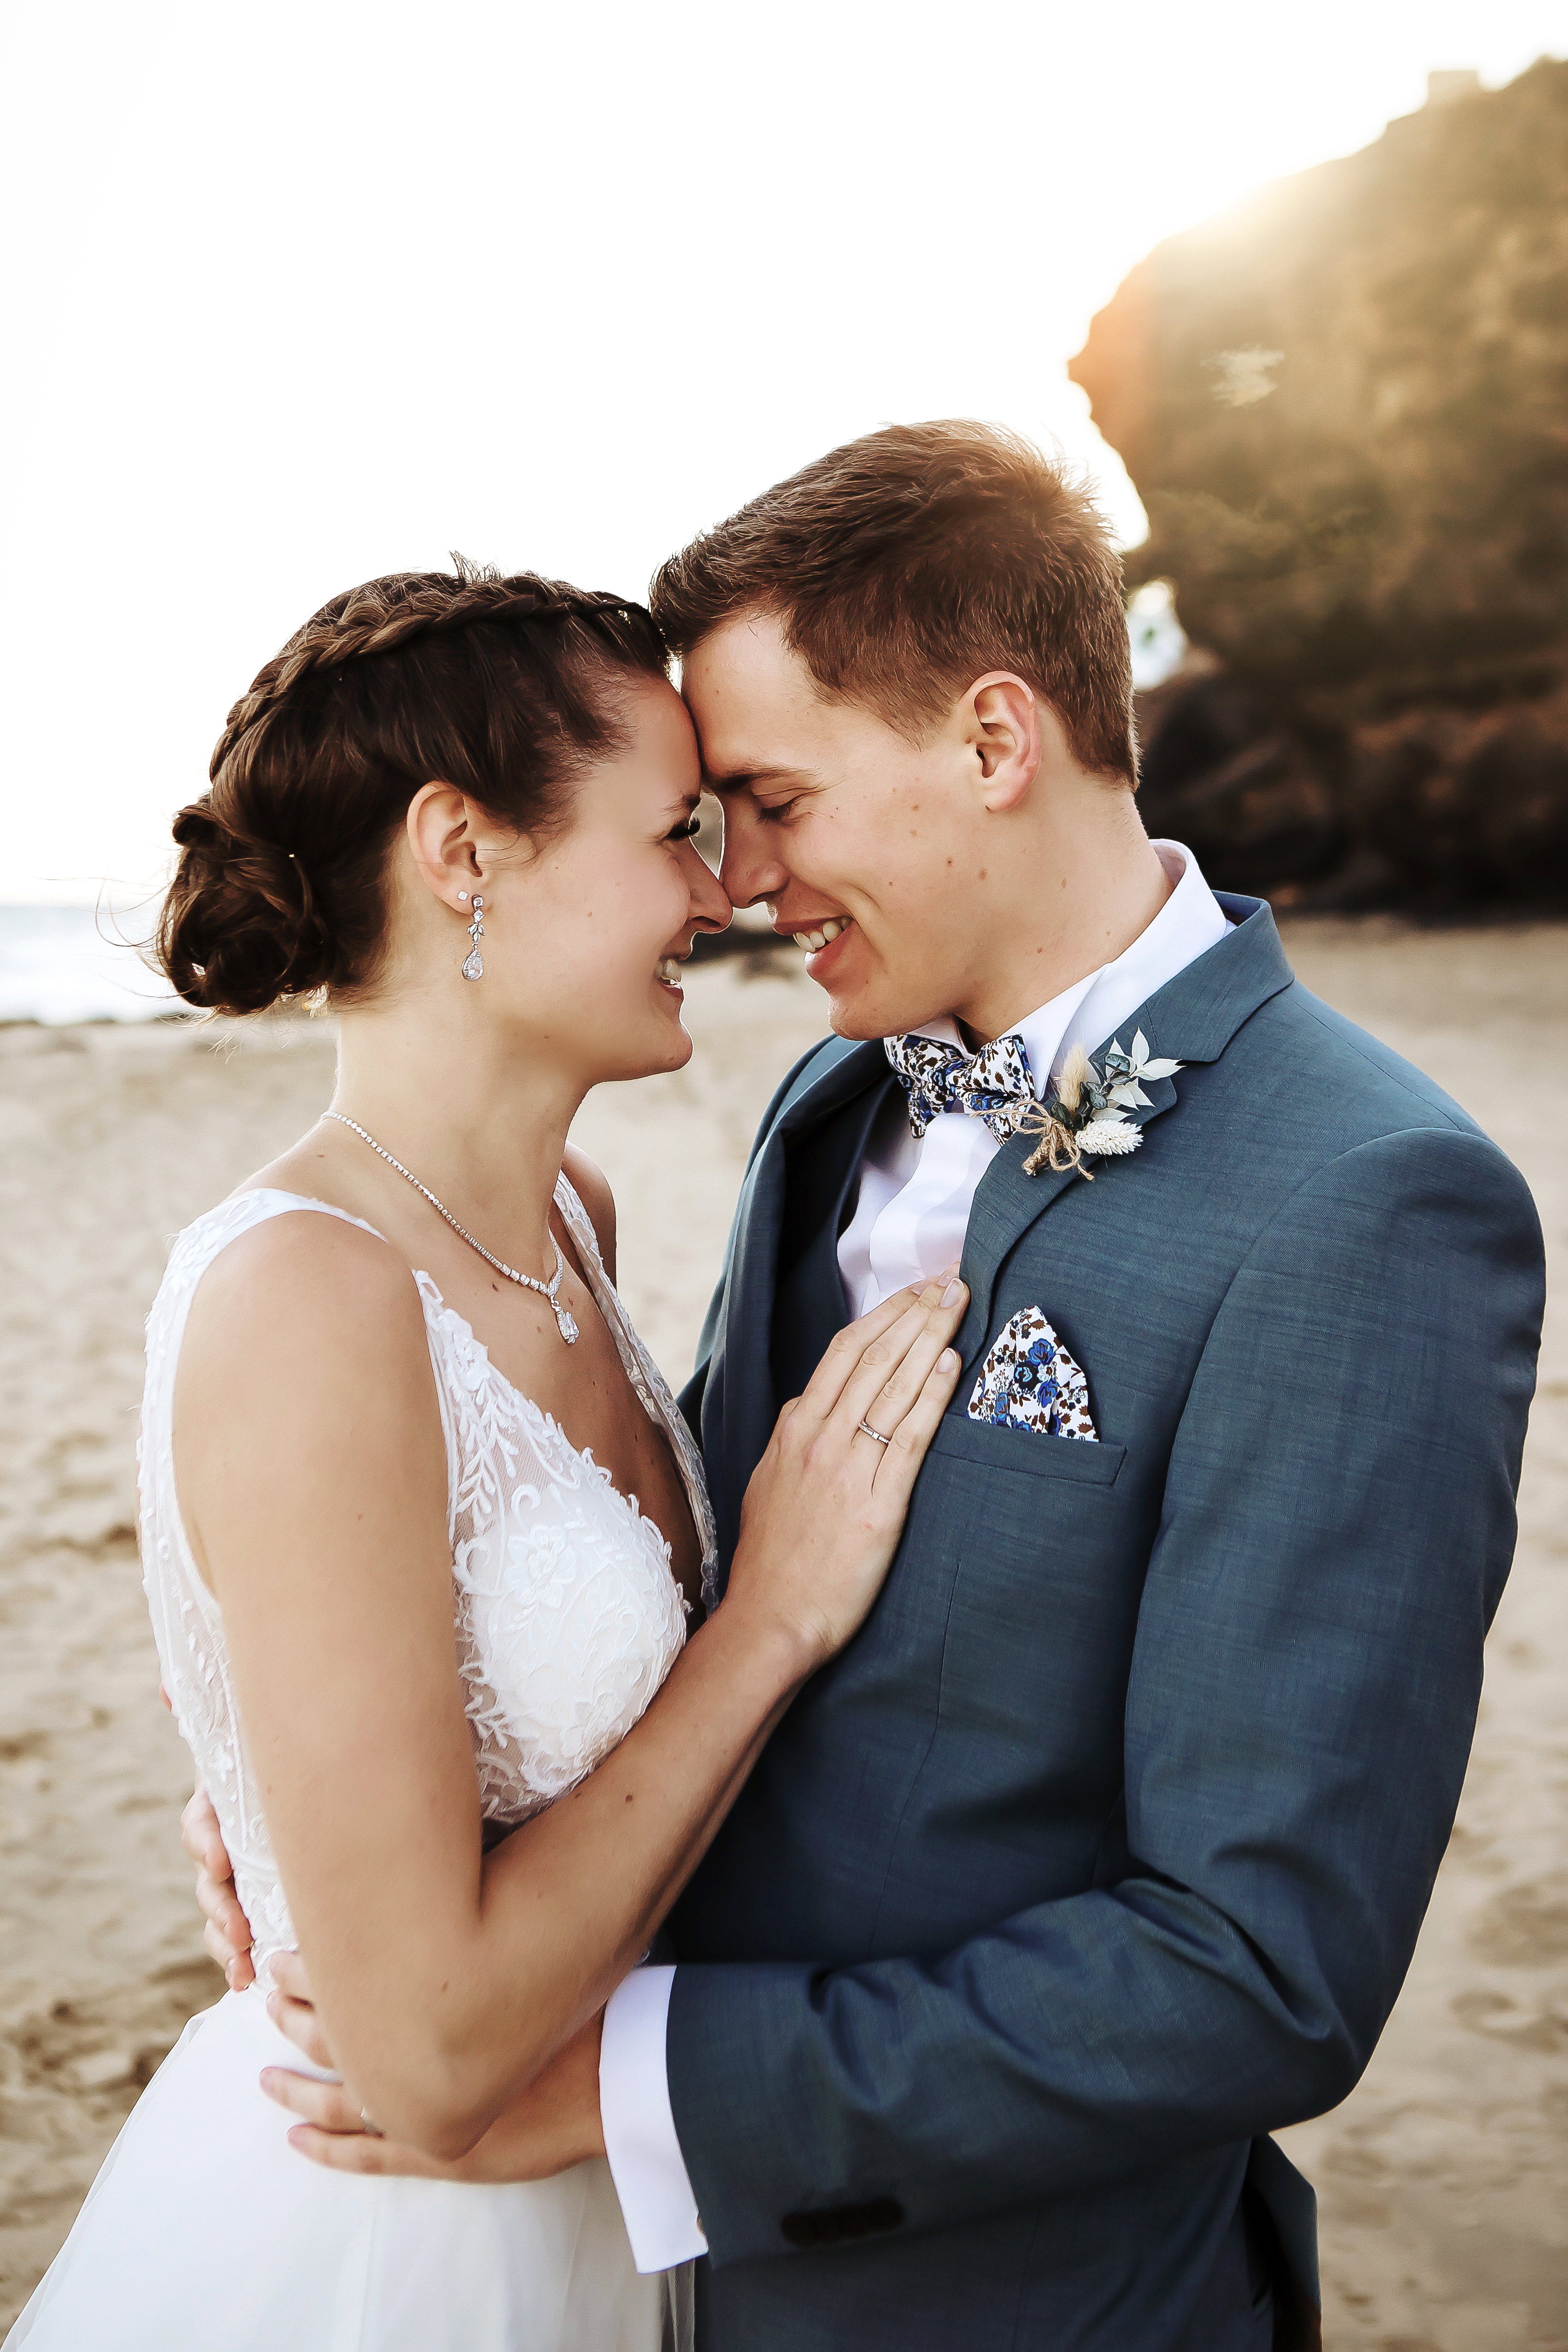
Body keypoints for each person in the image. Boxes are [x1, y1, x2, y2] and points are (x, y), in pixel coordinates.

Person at [194, 428, 1543, 2352]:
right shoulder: (833, 1097)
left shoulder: (1363, 1202)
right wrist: (353, 1782)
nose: (734, 882)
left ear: (993, 742)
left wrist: (634, 2090)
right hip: (620, 2276)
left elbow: (1255, 1968)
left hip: (1004, 2301)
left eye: (766, 798)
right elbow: (657, 1551)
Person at [1, 563, 969, 2352]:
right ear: (463, 852)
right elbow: (432, 2052)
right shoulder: (305, 1294)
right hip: (397, 2246)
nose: (720, 883)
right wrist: (764, 1618)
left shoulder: (570, 1219)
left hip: (623, 2179)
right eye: (668, 830)